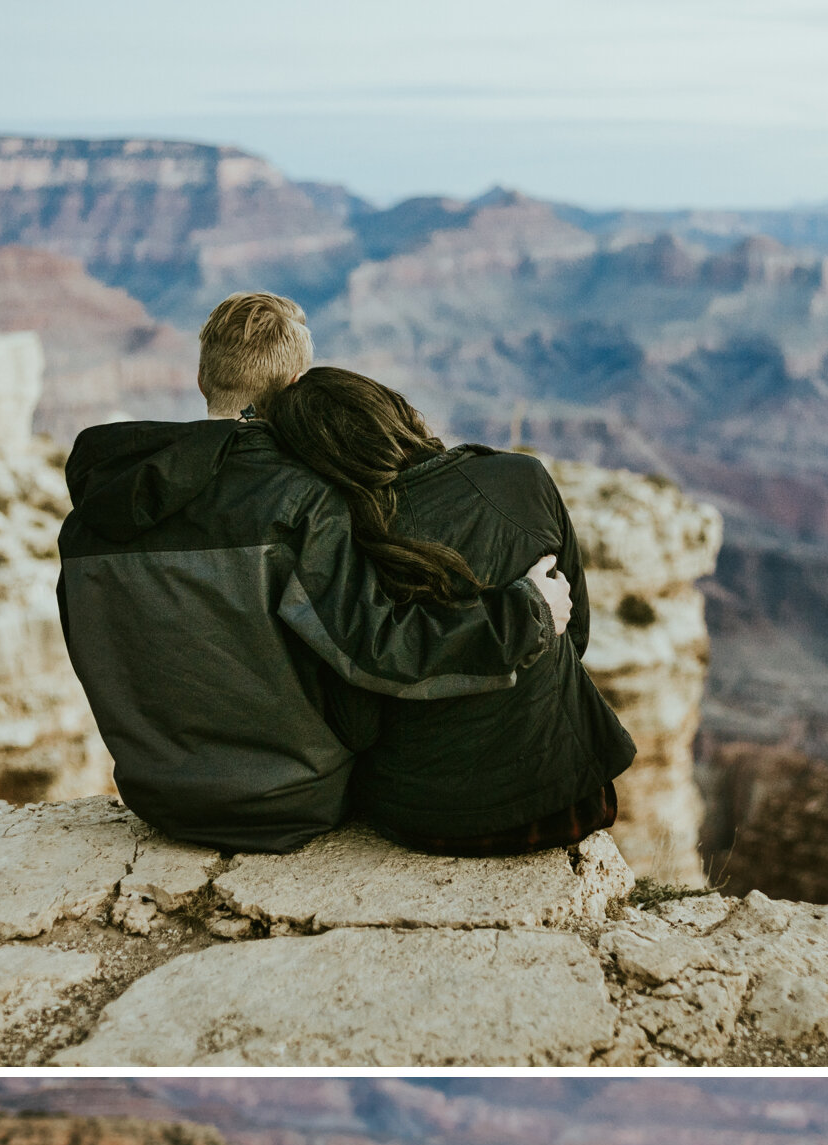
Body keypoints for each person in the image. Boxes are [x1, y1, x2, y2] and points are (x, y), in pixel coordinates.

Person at [56, 289, 573, 854]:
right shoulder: (299, 502)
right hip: (294, 799)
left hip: (157, 797)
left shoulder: (90, 520)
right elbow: (376, 649)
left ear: (204, 382)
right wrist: (527, 614)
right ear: (297, 383)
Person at [263, 368, 634, 858]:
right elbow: (575, 631)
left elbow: (358, 723)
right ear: (394, 412)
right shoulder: (524, 478)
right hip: (565, 801)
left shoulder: (345, 543)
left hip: (421, 819)